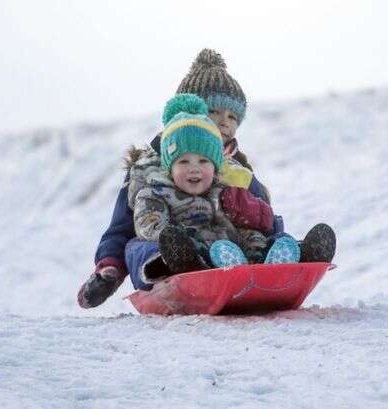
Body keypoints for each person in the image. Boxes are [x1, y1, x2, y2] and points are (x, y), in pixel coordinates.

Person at [77, 49, 336, 308]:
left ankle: (293, 257)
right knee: (138, 245)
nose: (224, 123)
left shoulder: (239, 172)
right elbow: (120, 229)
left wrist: (266, 225)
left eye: (232, 116)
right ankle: (173, 263)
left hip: (226, 252)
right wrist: (108, 271)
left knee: (262, 237)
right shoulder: (147, 169)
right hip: (164, 245)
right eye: (214, 112)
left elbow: (264, 220)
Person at [126, 93, 302, 289]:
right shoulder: (156, 192)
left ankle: (278, 261)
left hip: (227, 252)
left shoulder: (221, 192)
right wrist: (175, 238)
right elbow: (149, 224)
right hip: (185, 252)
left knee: (257, 236)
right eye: (183, 161)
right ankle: (186, 266)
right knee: (151, 246)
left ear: (215, 167)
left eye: (203, 161)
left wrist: (254, 232)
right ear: (169, 168)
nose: (194, 168)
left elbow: (247, 225)